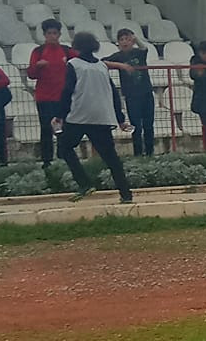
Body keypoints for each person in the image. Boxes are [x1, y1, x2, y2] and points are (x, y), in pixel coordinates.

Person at [59, 31, 134, 203]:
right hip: (102, 117)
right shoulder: (102, 66)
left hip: (79, 115)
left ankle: (84, 183)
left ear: (76, 46)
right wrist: (120, 118)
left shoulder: (73, 64)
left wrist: (60, 114)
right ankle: (126, 194)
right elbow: (113, 93)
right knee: (111, 157)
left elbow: (67, 91)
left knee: (65, 148)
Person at [26, 18, 72, 168]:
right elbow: (31, 74)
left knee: (63, 129)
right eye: (49, 33)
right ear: (44, 35)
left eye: (55, 33)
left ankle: (63, 157)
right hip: (44, 97)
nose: (52, 36)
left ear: (59, 34)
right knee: (46, 129)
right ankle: (47, 161)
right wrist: (38, 66)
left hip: (63, 97)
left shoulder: (67, 51)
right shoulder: (38, 52)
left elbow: (80, 61)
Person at [107, 27, 157, 156]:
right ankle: (138, 154)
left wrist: (137, 39)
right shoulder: (118, 56)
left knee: (149, 125)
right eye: (122, 39)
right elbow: (102, 62)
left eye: (128, 39)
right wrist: (120, 65)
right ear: (118, 42)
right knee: (136, 127)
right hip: (131, 96)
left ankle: (150, 153)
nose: (125, 42)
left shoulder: (138, 53)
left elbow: (144, 49)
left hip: (146, 93)